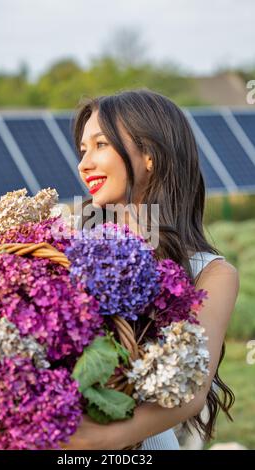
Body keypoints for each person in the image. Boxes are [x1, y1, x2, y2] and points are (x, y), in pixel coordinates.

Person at [61, 88, 239, 450]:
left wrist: (94, 439)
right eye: (82, 151)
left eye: (101, 145)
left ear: (150, 156)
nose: (84, 164)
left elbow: (192, 391)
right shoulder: (65, 247)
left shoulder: (212, 274)